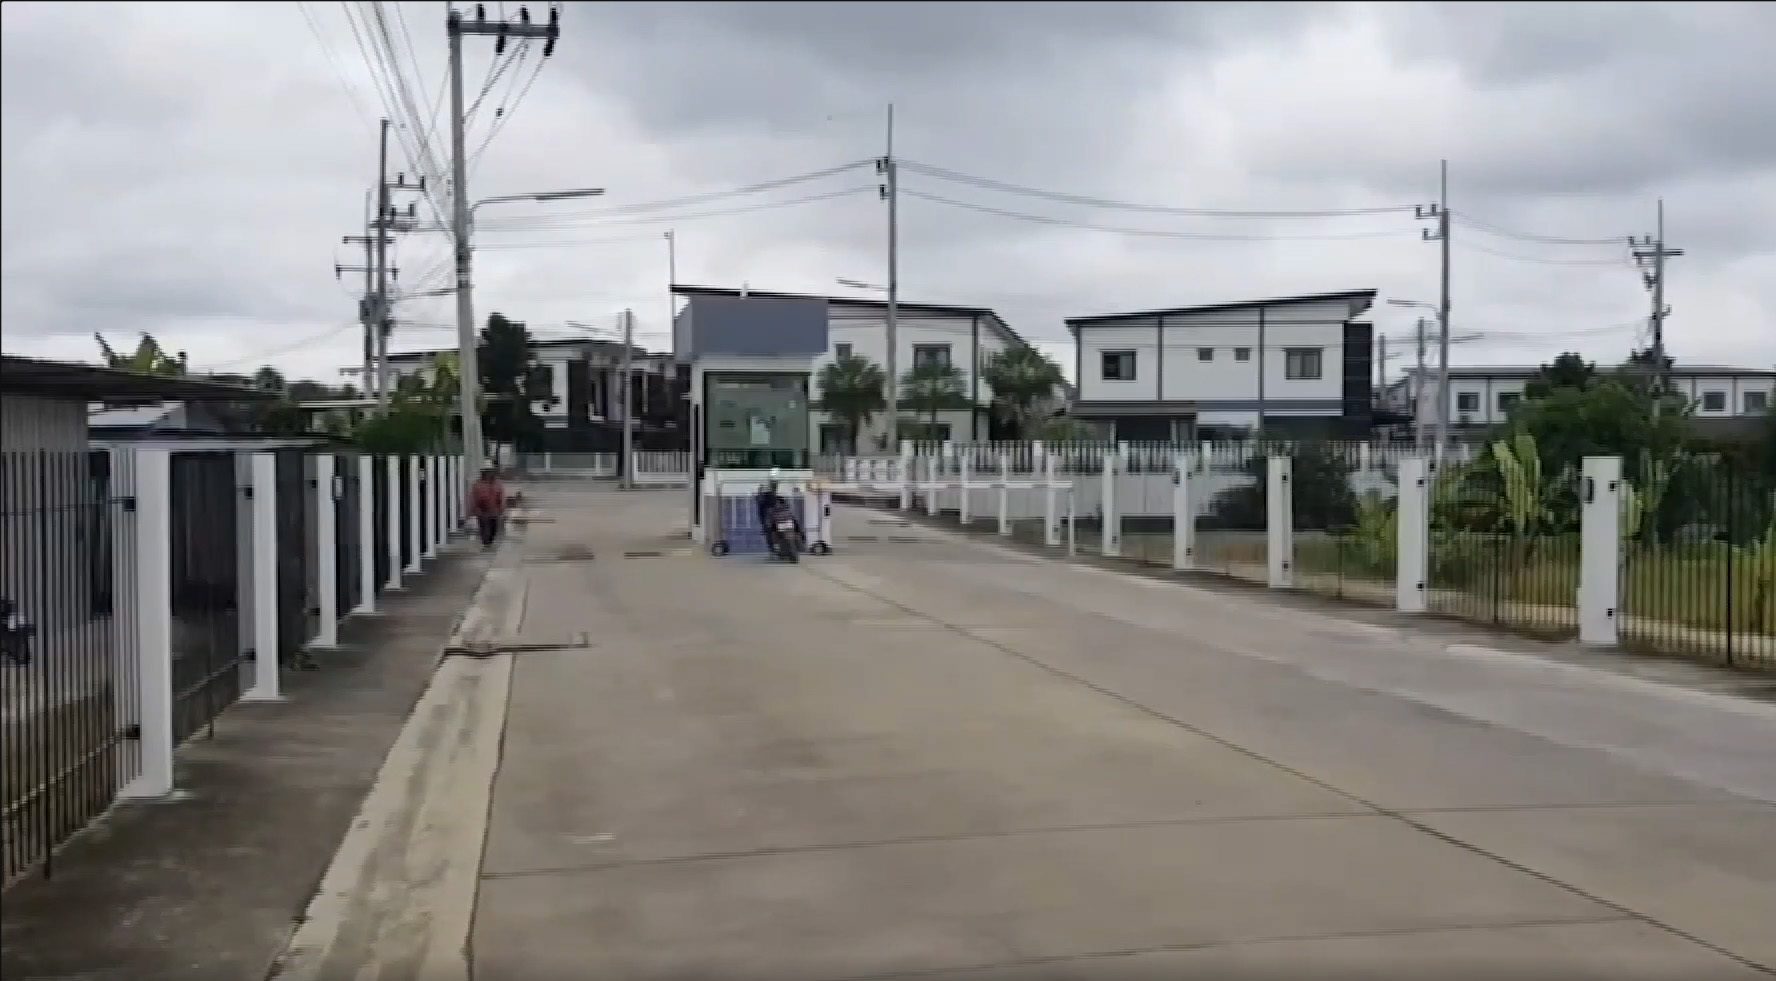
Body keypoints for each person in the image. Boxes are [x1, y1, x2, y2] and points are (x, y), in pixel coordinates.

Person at [469, 466, 508, 549]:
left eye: (490, 474)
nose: (489, 475)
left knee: (494, 528)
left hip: (494, 510)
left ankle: (489, 540)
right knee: (484, 527)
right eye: (487, 474)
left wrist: (502, 508)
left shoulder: (498, 484)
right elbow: (473, 497)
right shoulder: (478, 484)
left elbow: (501, 497)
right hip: (482, 511)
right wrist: (474, 509)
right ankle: (486, 542)